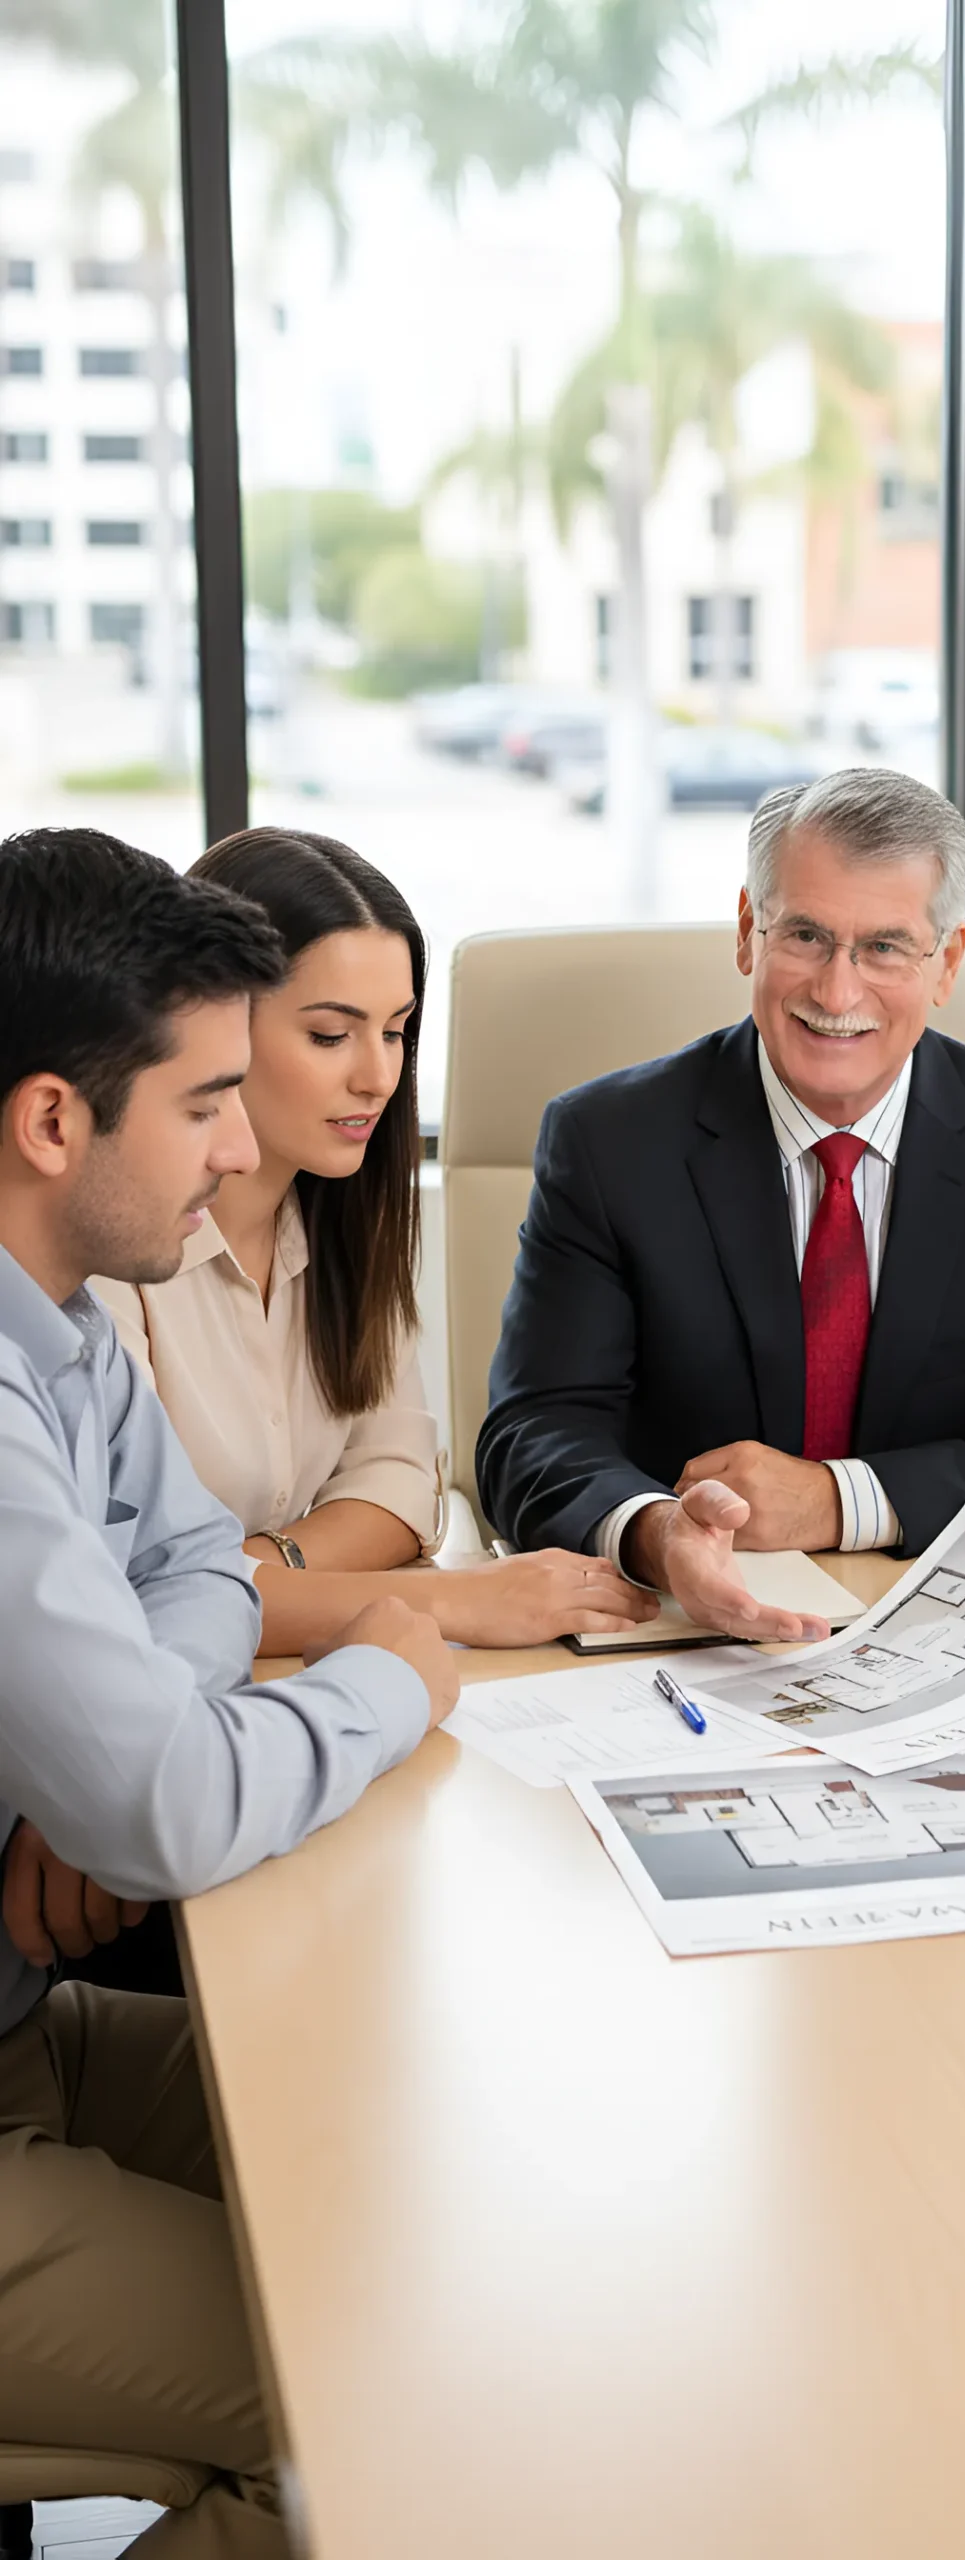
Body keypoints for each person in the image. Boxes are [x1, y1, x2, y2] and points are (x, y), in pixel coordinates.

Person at [0, 823, 461, 2556]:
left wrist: (125, 1723)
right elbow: (173, 1804)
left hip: (26, 2030)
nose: (232, 1151)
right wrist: (394, 1677)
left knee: (403, 2165)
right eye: (202, 1102)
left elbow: (196, 1565)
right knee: (383, 2385)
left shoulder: (55, 1326)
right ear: (56, 1120)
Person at [479, 768, 965, 1639]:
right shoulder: (609, 1142)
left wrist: (842, 1500)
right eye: (804, 935)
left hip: (938, 1633)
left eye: (883, 947)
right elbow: (531, 1435)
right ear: (746, 933)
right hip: (684, 1634)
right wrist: (656, 1534)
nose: (836, 994)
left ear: (946, 962)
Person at [92, 828, 654, 1659]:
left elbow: (398, 1486)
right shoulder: (111, 1246)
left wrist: (266, 1569)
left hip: (298, 1672)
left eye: (395, 1031)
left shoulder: (344, 1219)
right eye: (329, 1035)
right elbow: (133, 1594)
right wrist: (454, 1603)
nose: (378, 1076)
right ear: (214, 1025)